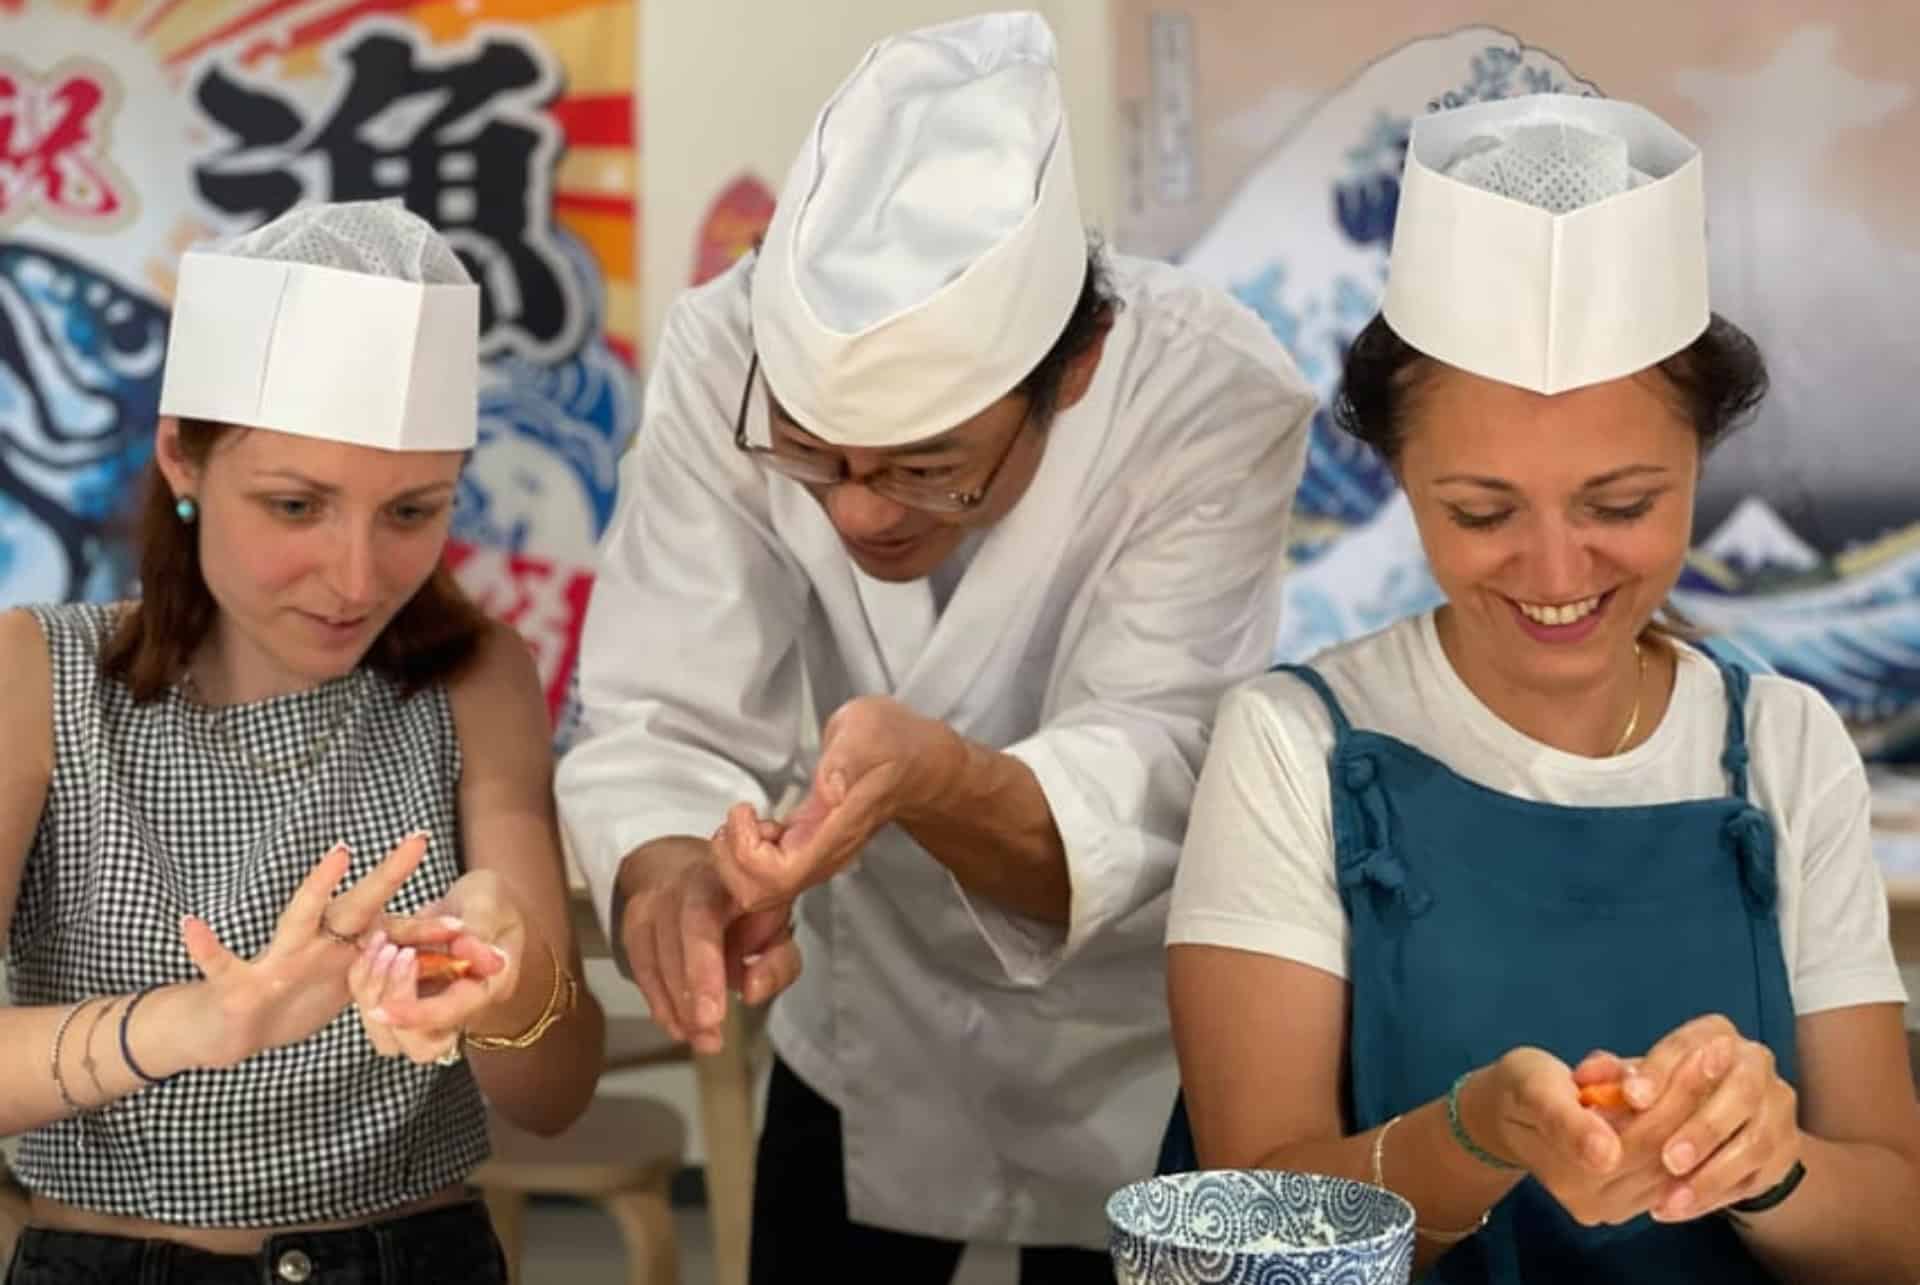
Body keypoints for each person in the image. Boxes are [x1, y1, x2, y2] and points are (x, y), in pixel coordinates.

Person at [554, 11, 1314, 1281]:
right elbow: (662, 709)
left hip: (1132, 1021)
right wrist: (672, 874)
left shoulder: (1206, 396)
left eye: (928, 471)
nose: (856, 512)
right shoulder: (723, 354)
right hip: (862, 1001)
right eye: (815, 458)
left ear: (1065, 379)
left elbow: (1159, 754)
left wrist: (942, 780)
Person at [1161, 92, 1920, 1283]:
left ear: (1700, 460)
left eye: (1622, 506)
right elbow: (1243, 1239)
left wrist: (1769, 1166)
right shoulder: (1293, 747)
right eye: (1481, 512)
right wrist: (1471, 1138)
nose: (1559, 572)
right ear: (1399, 475)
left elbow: (1896, 1234)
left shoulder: (1781, 742)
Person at [0, 200, 606, 1285]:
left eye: (412, 512)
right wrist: (203, 1020)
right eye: (294, 506)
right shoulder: (37, 677)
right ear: (183, 459)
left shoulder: (474, 678)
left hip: (414, 1256)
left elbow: (554, 1099)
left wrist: (504, 986)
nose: (358, 577)